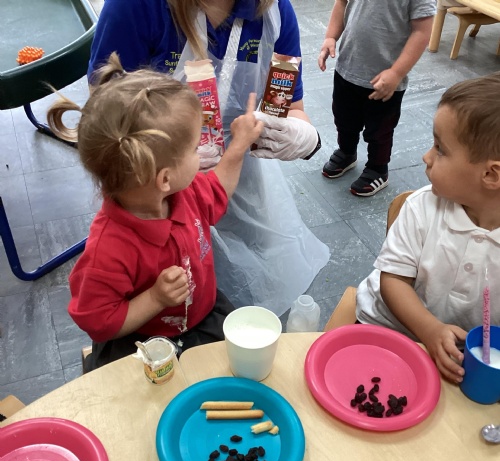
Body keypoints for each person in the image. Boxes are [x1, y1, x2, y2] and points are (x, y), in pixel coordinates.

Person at [87, 0, 330, 317]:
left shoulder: (273, 13)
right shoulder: (137, 8)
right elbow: (109, 124)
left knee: (231, 269)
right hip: (151, 186)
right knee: (168, 270)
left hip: (236, 172)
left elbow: (289, 105)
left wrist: (301, 134)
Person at [47, 53, 263, 370]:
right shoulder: (107, 250)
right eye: (195, 148)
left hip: (204, 318)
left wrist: (240, 144)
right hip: (141, 344)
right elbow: (98, 321)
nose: (201, 152)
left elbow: (219, 188)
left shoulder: (185, 193)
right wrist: (155, 299)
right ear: (164, 179)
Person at [355, 72, 500, 383]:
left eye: (440, 149)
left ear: (491, 175)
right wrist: (430, 330)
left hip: (462, 357)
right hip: (387, 327)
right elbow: (393, 280)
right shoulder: (422, 207)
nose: (426, 156)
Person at [318, 0, 435, 196]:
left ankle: (378, 168)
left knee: (379, 130)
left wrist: (397, 73)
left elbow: (422, 31)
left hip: (385, 81)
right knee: (344, 119)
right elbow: (342, 3)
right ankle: (347, 152)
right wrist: (330, 36)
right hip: (347, 68)